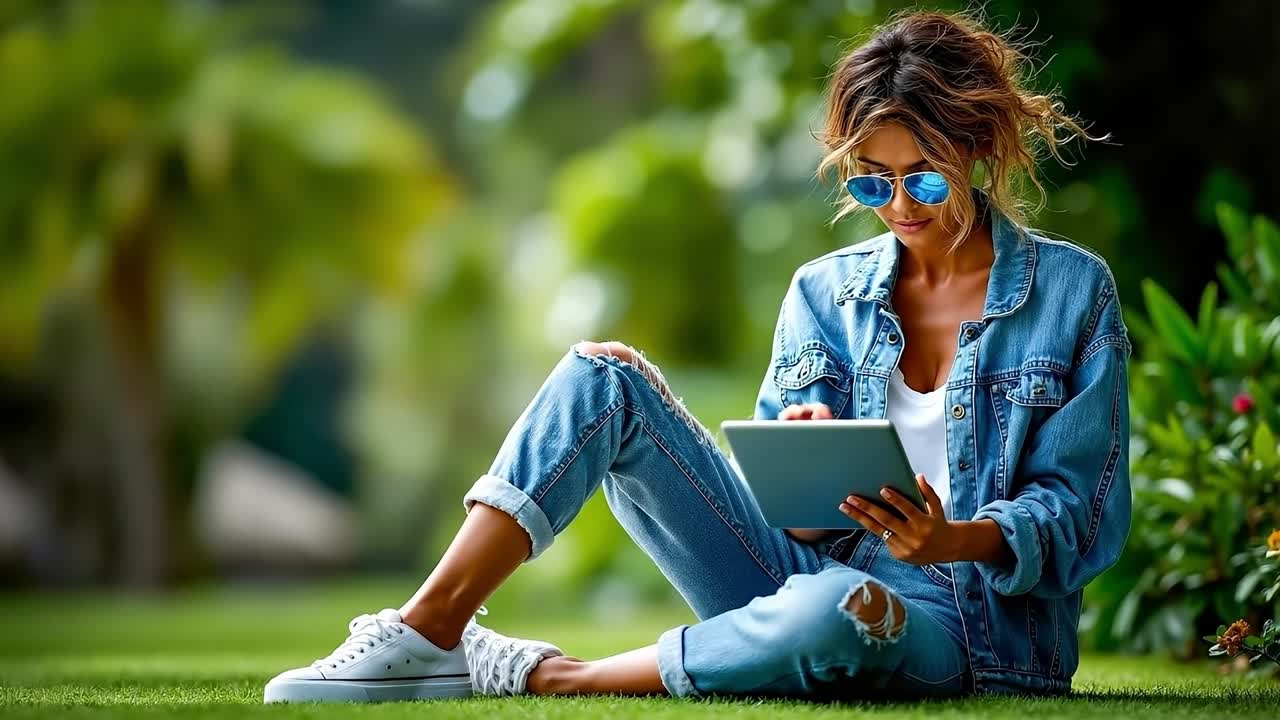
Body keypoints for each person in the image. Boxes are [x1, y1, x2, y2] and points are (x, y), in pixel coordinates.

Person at [263, 8, 1132, 703]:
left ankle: (550, 674)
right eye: (872, 180)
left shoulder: (1070, 294)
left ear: (976, 149)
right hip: (811, 572)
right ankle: (428, 632)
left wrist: (952, 537)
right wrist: (807, 469)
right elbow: (792, 524)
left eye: (926, 177)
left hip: (971, 627)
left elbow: (1083, 518)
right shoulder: (824, 293)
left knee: (831, 612)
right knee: (604, 375)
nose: (899, 204)